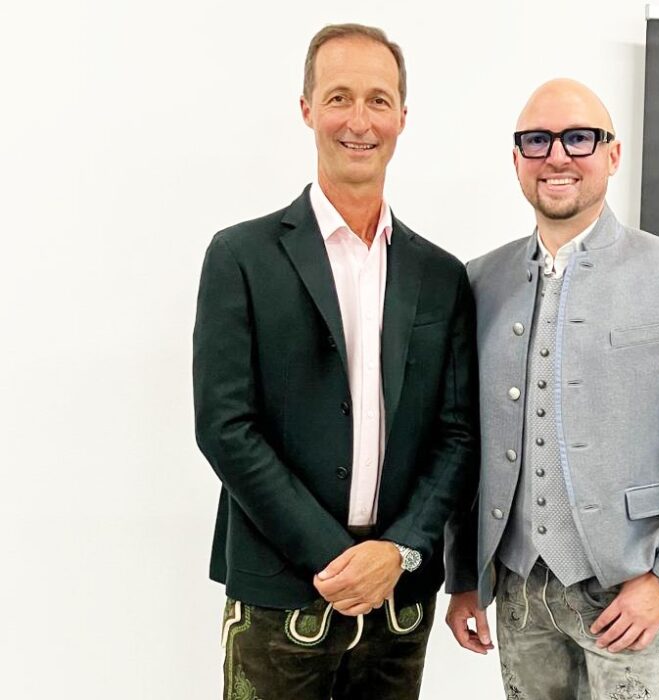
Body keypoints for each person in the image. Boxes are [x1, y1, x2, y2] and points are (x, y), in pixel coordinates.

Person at [444, 78, 659, 699]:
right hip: (516, 591)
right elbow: (466, 443)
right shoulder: (480, 280)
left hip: (627, 591)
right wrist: (462, 576)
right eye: (537, 141)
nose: (557, 156)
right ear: (516, 159)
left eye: (579, 139)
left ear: (613, 155)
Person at [193, 23, 477, 700]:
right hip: (280, 594)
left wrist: (398, 552)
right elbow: (225, 427)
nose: (359, 120)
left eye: (378, 100)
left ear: (402, 117)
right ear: (307, 109)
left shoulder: (441, 275)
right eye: (339, 97)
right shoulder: (240, 257)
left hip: (398, 602)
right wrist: (336, 556)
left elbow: (459, 434)